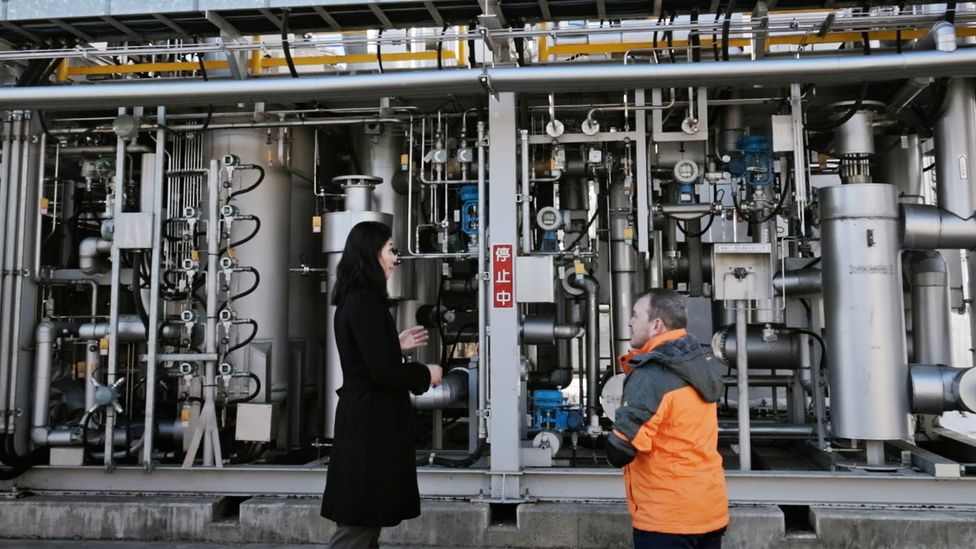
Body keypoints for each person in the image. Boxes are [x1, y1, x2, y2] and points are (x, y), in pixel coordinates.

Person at [321, 221, 443, 548]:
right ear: (371, 254)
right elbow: (383, 371)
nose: (395, 258)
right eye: (390, 250)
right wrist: (424, 374)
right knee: (360, 523)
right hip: (370, 425)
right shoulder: (365, 304)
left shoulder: (358, 300)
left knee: (366, 520)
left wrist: (393, 343)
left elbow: (369, 356)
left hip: (366, 420)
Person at [607, 289, 729, 549]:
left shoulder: (652, 375)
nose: (629, 322)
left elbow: (619, 449)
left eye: (635, 315)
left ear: (656, 325)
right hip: (709, 510)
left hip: (667, 520)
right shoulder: (700, 362)